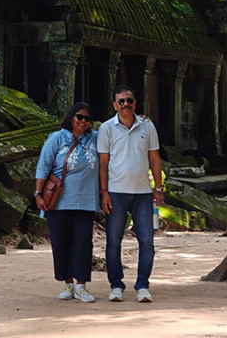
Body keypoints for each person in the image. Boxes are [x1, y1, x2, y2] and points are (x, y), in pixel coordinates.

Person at [97, 85, 163, 304]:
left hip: (143, 193)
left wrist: (158, 188)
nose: (126, 104)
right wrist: (104, 192)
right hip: (116, 192)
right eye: (121, 101)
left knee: (147, 241)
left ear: (135, 103)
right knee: (113, 241)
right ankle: (116, 285)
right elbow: (103, 163)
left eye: (129, 101)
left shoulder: (147, 126)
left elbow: (154, 159)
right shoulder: (106, 128)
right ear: (115, 105)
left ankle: (142, 286)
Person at [34, 101, 100, 303]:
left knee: (83, 243)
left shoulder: (95, 138)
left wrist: (141, 119)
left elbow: (116, 130)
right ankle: (68, 284)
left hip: (86, 201)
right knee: (61, 242)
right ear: (71, 118)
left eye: (87, 119)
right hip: (59, 201)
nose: (83, 122)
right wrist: (38, 194)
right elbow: (44, 165)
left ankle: (81, 286)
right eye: (79, 117)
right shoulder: (57, 138)